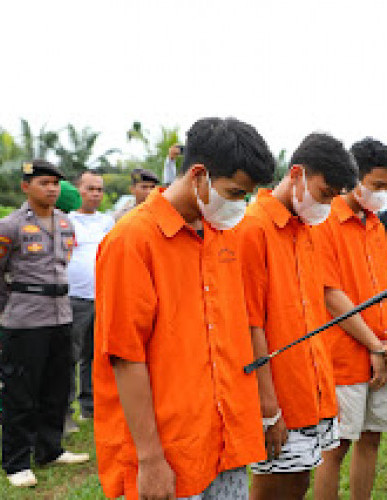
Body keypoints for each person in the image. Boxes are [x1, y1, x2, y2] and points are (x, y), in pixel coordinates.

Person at [92, 117, 275, 499]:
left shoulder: (221, 235)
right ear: (198, 175)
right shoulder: (131, 241)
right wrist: (150, 458)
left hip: (224, 441)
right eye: (236, 192)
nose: (241, 205)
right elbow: (126, 357)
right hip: (168, 452)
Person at [236, 133, 358, 500]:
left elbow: (309, 313)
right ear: (297, 174)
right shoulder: (253, 228)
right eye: (324, 193)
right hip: (279, 396)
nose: (327, 204)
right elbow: (250, 324)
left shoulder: (306, 228)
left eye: (334, 197)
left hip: (312, 390)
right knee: (274, 488)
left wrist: (324, 395)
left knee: (298, 483)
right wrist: (268, 409)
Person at [312, 138, 387, 500]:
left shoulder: (374, 224)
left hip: (386, 349)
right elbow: (330, 295)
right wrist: (373, 345)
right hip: (345, 355)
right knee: (334, 448)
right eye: (378, 186)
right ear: (354, 179)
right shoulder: (325, 221)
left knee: (372, 439)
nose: (383, 194)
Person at [0, 160, 89, 488]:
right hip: (24, 319)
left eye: (55, 183)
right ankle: (16, 461)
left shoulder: (66, 224)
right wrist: (5, 312)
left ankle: (49, 448)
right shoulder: (10, 226)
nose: (51, 188)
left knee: (56, 387)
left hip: (61, 314)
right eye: (43, 182)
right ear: (26, 187)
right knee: (21, 393)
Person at [63, 171, 115, 434]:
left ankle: (90, 405)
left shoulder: (108, 222)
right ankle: (66, 413)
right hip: (75, 297)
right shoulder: (67, 221)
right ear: (78, 190)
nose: (96, 194)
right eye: (90, 189)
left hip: (103, 298)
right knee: (69, 356)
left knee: (94, 356)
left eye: (99, 189)